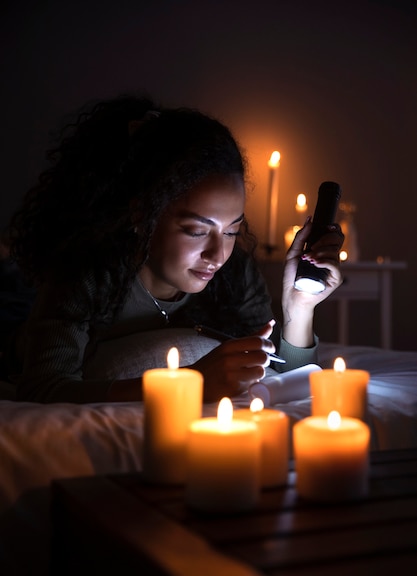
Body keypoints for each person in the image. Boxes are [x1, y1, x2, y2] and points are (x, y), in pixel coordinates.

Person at [5, 93, 344, 404]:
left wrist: (299, 308)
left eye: (232, 231)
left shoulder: (235, 273)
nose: (217, 255)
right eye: (197, 231)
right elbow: (42, 388)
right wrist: (187, 384)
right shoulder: (89, 273)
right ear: (142, 215)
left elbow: (284, 375)